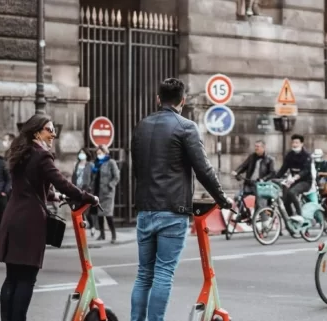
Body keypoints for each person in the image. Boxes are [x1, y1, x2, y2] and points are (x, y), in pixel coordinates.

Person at [130, 78, 232, 321]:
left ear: (158, 99)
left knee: (144, 274)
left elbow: (137, 168)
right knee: (163, 272)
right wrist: (222, 199)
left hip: (145, 209)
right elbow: (203, 169)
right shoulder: (185, 127)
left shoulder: (141, 126)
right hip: (172, 210)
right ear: (183, 101)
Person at [0, 114, 98, 321]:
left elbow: (30, 186)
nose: (53, 134)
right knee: (27, 279)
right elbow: (62, 182)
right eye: (49, 130)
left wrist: (54, 196)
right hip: (29, 222)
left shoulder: (20, 153)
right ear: (36, 132)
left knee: (12, 277)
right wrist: (89, 197)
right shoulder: (42, 155)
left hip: (12, 218)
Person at [231, 140, 276, 217]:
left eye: (257, 146)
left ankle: (264, 224)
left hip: (261, 186)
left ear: (263, 147)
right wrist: (236, 172)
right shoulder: (252, 157)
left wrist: (263, 179)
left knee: (261, 204)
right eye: (255, 146)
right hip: (249, 184)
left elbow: (272, 173)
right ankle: (244, 214)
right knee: (237, 197)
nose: (256, 148)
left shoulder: (270, 159)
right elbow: (243, 166)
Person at [276, 134, 312, 222]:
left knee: (292, 192)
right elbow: (283, 169)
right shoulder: (289, 155)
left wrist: (295, 177)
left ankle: (300, 216)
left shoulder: (306, 156)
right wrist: (274, 178)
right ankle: (291, 219)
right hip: (293, 181)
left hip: (305, 182)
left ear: (302, 144)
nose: (294, 144)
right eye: (293, 142)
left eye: (297, 142)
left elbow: (305, 170)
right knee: (285, 201)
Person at [91, 145, 120, 243]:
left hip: (107, 193)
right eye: (97, 153)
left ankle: (113, 235)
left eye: (100, 153)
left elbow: (116, 176)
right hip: (98, 192)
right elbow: (95, 177)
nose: (99, 155)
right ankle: (102, 234)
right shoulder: (97, 163)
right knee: (99, 215)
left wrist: (110, 185)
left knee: (108, 214)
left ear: (105, 152)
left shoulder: (111, 162)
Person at [72, 148, 96, 236]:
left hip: (87, 190)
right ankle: (83, 228)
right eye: (80, 153)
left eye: (83, 153)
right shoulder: (76, 164)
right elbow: (73, 177)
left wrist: (91, 187)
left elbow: (94, 178)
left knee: (87, 211)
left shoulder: (91, 165)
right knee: (80, 210)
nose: (81, 154)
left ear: (86, 154)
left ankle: (92, 227)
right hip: (78, 190)